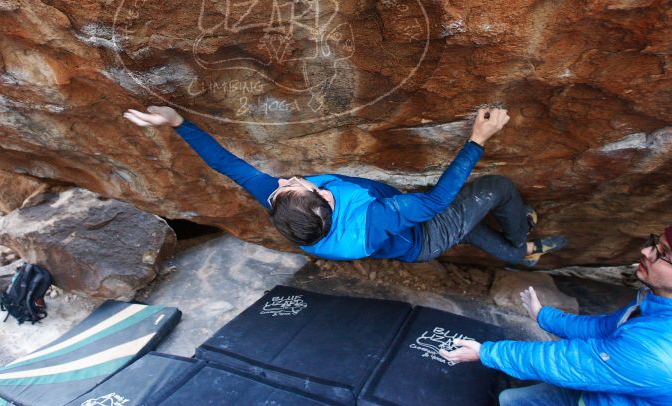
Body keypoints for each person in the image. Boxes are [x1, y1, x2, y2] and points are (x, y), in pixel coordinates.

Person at [123, 105, 565, 266]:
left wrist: (178, 123)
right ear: (325, 197)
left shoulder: (288, 208)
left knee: (470, 226)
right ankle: (521, 239)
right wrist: (476, 141)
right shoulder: (372, 220)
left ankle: (516, 254)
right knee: (497, 189)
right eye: (295, 183)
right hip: (424, 236)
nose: (281, 179)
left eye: (280, 187)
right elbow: (435, 202)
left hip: (407, 232)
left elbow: (228, 165)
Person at [439, 225, 672, 406]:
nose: (645, 251)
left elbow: (568, 361)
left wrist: (486, 352)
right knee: (511, 400)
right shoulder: (655, 302)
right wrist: (544, 316)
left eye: (663, 253)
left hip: (603, 388)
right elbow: (603, 328)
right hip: (599, 389)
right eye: (655, 243)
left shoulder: (657, 349)